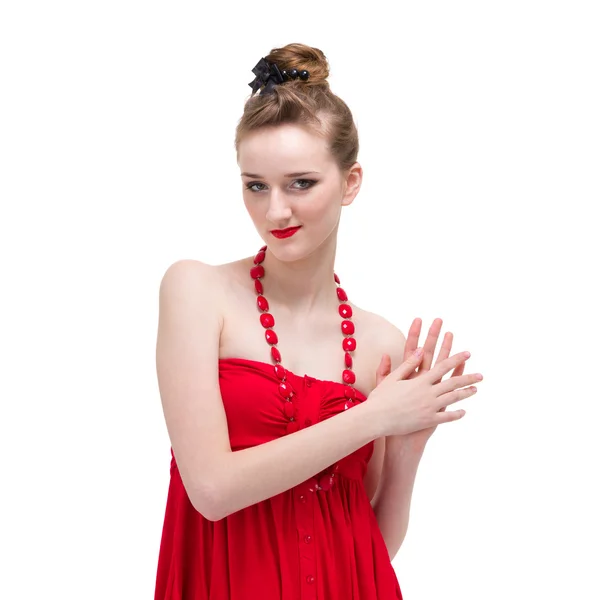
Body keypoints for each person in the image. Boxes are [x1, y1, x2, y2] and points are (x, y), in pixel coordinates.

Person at [153, 42, 482, 600]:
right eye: (256, 184)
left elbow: (369, 543)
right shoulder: (196, 290)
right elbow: (211, 489)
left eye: (300, 183)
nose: (275, 211)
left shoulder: (381, 341)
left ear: (350, 183)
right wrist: (372, 419)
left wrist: (405, 449)